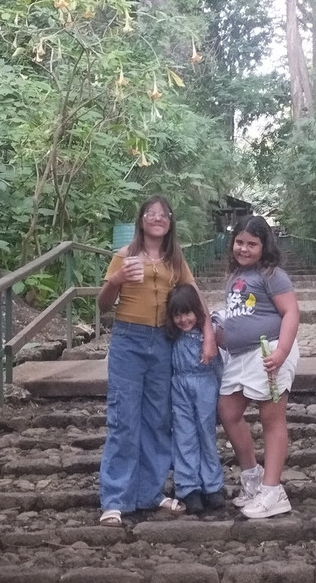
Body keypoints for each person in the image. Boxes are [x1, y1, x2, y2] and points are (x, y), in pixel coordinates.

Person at [96, 195, 216, 526]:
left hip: (163, 343)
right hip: (128, 341)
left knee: (158, 419)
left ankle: (150, 492)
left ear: (170, 221)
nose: (158, 218)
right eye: (152, 213)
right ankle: (115, 499)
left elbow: (194, 296)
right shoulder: (124, 256)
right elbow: (103, 304)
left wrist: (208, 334)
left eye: (164, 214)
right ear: (142, 220)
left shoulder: (175, 260)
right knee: (124, 418)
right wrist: (117, 280)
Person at [213, 215, 300, 519]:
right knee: (227, 410)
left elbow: (291, 313)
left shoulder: (272, 275)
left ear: (264, 247)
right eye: (239, 242)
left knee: (271, 417)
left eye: (252, 244)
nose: (244, 248)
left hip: (269, 351)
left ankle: (273, 491)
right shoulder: (234, 275)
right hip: (239, 357)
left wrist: (282, 352)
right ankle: (252, 478)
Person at [164, 283, 225, 514]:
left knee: (206, 435)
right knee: (184, 436)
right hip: (179, 387)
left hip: (206, 385)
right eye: (177, 314)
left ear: (197, 313)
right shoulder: (171, 337)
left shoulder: (206, 337)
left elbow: (219, 366)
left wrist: (220, 392)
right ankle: (188, 487)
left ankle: (213, 486)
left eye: (187, 313)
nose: (183, 319)